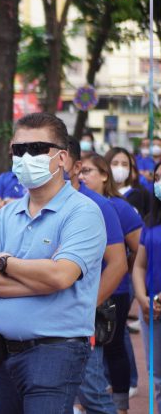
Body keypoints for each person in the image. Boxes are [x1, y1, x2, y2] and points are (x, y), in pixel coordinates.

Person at [0, 112, 107, 413]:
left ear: (61, 158)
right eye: (19, 150)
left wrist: (6, 263)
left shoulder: (82, 212)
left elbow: (60, 276)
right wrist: (40, 281)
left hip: (55, 353)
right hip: (4, 352)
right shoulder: (7, 214)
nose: (25, 157)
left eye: (36, 149)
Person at [63, 139, 128, 414]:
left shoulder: (99, 206)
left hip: (79, 320)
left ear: (75, 165)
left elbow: (118, 264)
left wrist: (87, 307)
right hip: (42, 322)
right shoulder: (25, 205)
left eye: (52, 154)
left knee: (91, 392)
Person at [79, 153, 143, 413]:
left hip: (114, 290)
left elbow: (139, 248)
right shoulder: (76, 204)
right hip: (83, 289)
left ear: (104, 176)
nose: (83, 176)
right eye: (80, 171)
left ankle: (120, 405)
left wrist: (124, 270)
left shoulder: (118, 206)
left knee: (114, 346)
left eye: (89, 171)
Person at [131, 161, 161, 413]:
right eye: (158, 177)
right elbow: (140, 265)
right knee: (158, 377)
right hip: (152, 310)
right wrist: (142, 297)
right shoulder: (150, 222)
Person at [106, 147, 152, 217]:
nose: (120, 168)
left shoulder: (134, 195)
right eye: (115, 163)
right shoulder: (101, 193)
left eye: (124, 164)